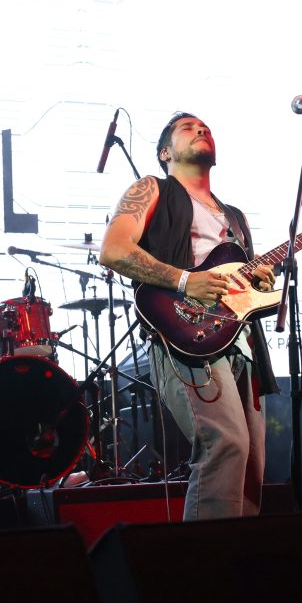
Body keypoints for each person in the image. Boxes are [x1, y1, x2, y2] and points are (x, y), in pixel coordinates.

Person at [99, 112, 277, 519]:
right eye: (187, 127)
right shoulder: (152, 189)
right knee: (225, 445)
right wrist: (185, 281)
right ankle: (202, 555)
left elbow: (236, 286)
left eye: (206, 127)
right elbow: (114, 249)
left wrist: (258, 282)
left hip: (241, 342)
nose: (201, 129)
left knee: (251, 466)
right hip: (187, 338)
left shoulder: (235, 217)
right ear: (165, 153)